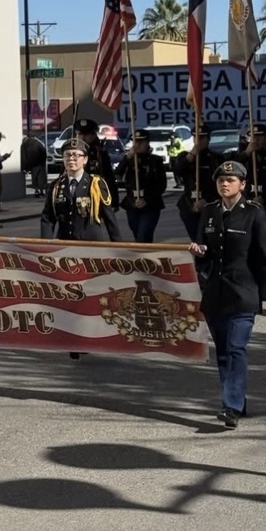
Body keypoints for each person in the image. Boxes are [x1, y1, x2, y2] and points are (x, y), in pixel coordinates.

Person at [189, 159, 266, 429]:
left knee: (236, 348)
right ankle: (237, 400)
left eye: (230, 180)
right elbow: (203, 250)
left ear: (243, 185)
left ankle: (230, 406)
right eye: (220, 181)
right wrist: (199, 253)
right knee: (223, 353)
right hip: (216, 291)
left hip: (244, 291)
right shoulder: (208, 211)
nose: (225, 184)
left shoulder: (253, 212)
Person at [41, 138, 123, 361]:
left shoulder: (96, 184)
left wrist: (120, 248)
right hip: (66, 249)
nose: (71, 159)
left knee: (90, 294)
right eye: (67, 155)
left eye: (76, 155)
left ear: (85, 160)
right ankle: (73, 339)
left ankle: (90, 334)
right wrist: (44, 245)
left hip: (90, 249)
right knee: (69, 294)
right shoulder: (57, 186)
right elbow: (48, 218)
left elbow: (109, 218)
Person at [114, 128, 167, 243]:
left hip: (150, 203)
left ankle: (145, 258)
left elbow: (161, 185)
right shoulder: (129, 159)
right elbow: (117, 173)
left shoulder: (155, 160)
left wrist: (146, 199)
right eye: (135, 142)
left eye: (140, 142)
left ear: (147, 143)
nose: (137, 145)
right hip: (132, 202)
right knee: (137, 234)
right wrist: (127, 157)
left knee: (144, 235)